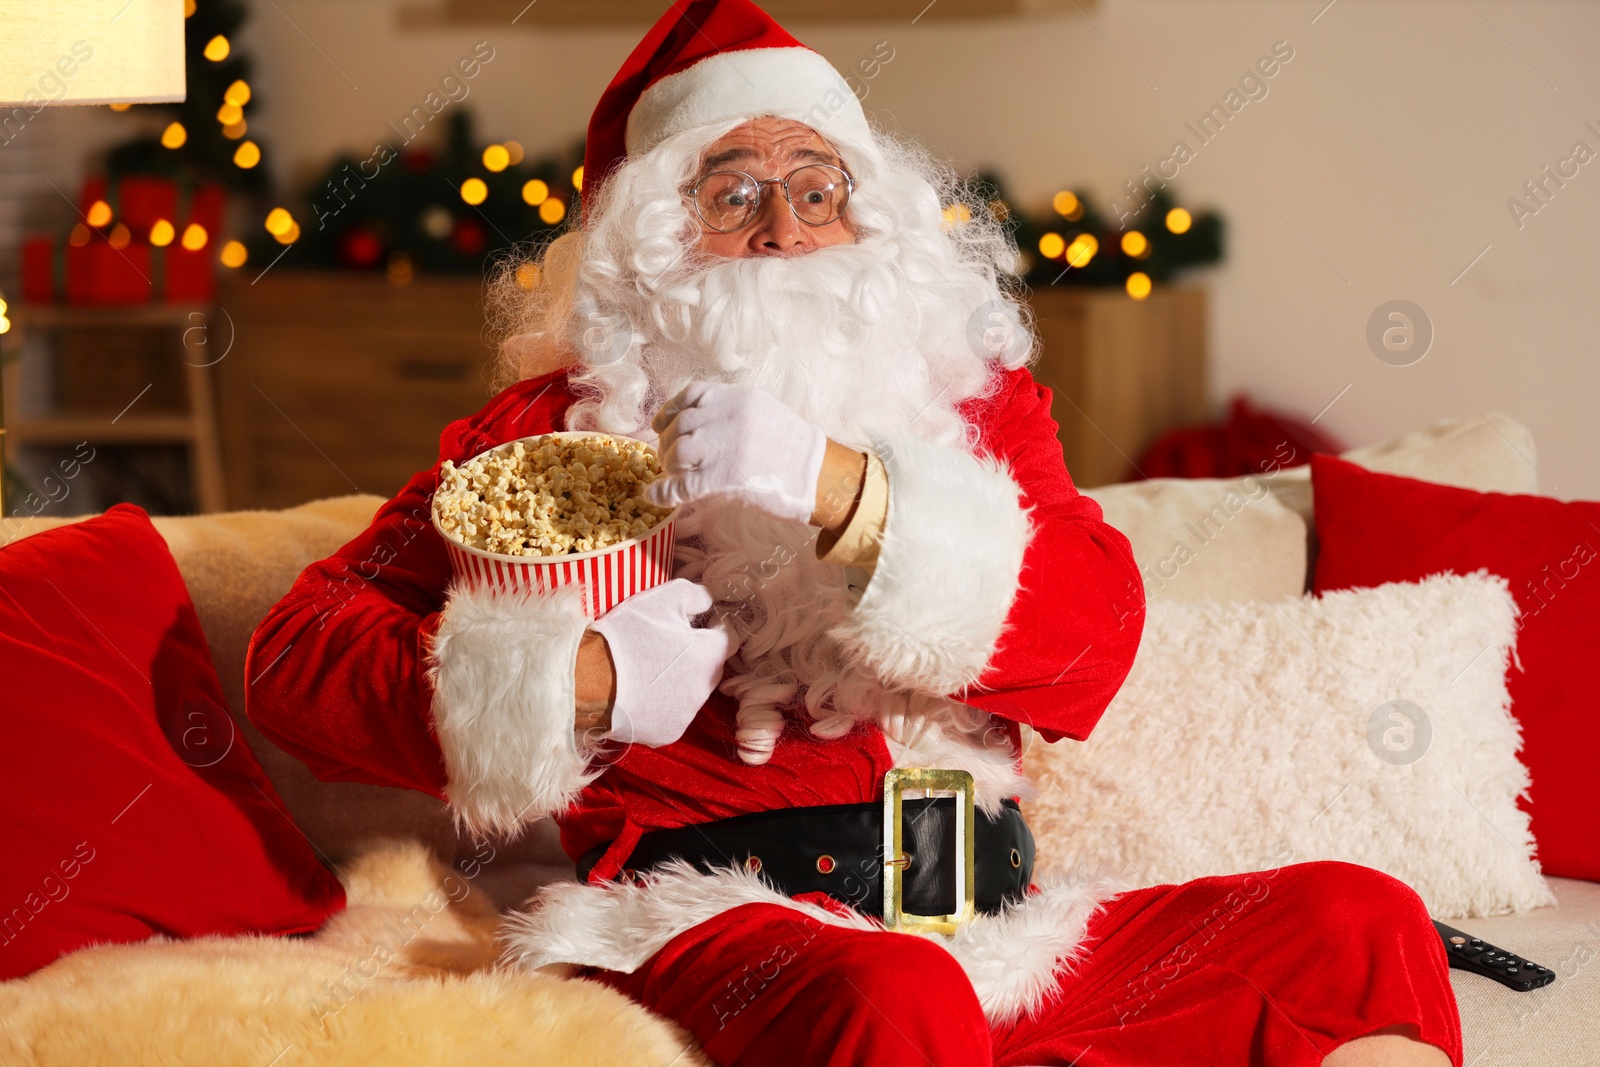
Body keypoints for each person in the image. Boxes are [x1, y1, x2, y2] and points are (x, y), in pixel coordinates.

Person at [245, 2, 1462, 1064]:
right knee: (895, 990)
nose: (784, 228)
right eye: (733, 192)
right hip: (722, 928)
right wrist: (584, 677)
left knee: (1358, 923)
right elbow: (294, 661)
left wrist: (849, 493)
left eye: (817, 188)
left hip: (998, 920)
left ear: (868, 219)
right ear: (648, 242)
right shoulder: (541, 437)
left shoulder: (973, 406)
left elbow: (1095, 641)